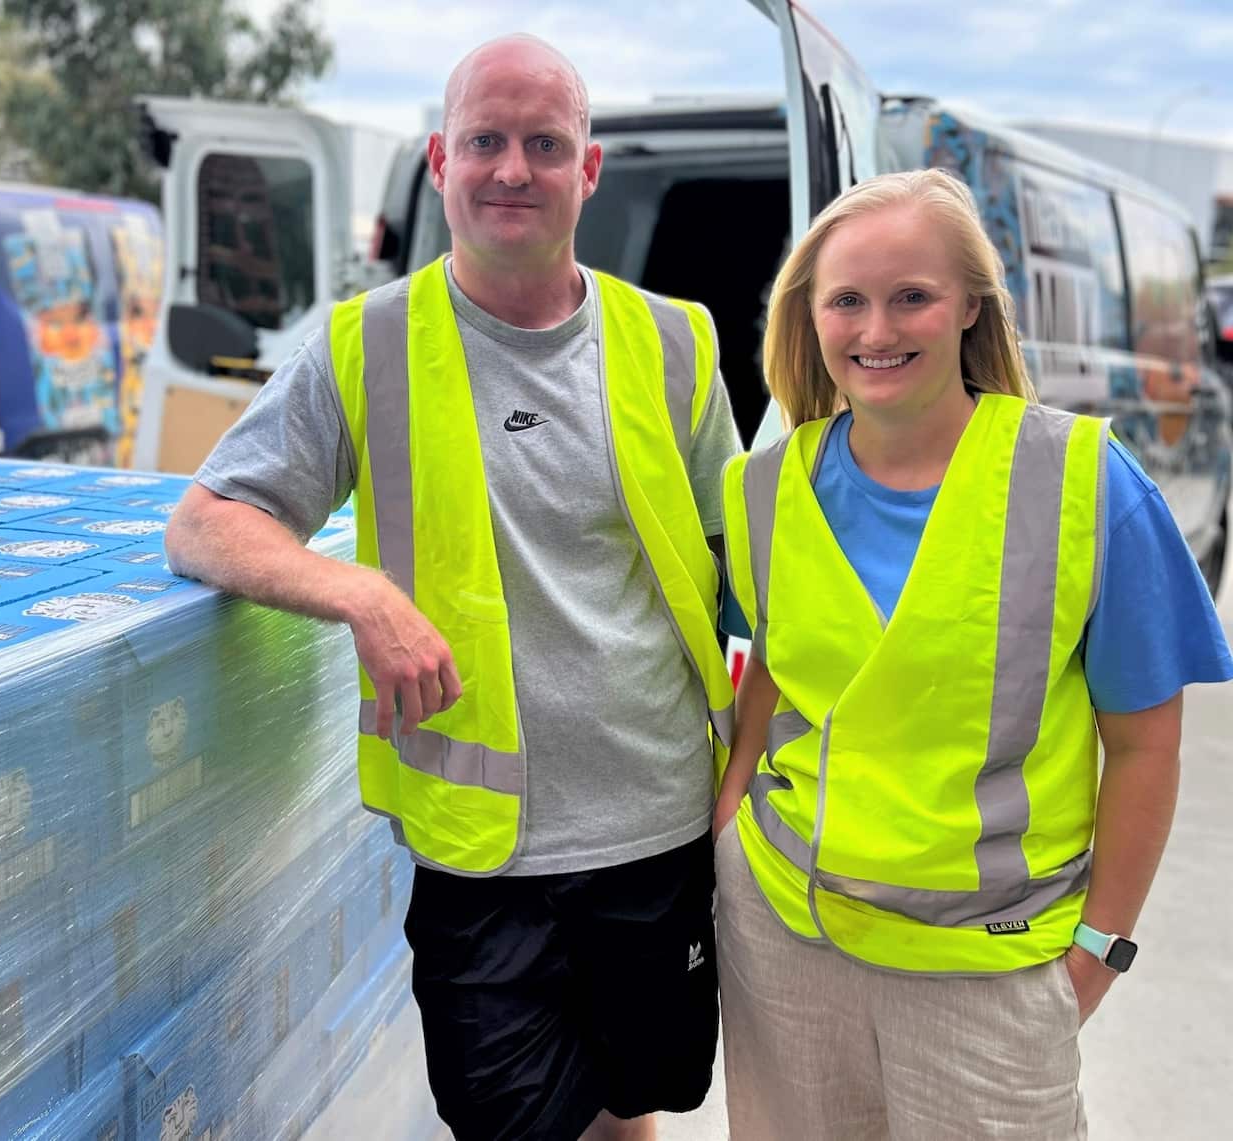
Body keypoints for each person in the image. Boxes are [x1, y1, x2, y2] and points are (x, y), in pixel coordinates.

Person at [165, 34, 741, 1141]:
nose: (512, 168)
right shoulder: (365, 345)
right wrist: (361, 597)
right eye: (485, 140)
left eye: (543, 142)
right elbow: (204, 522)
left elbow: (745, 574)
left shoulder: (676, 344)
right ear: (439, 161)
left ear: (589, 169)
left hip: (656, 821)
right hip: (483, 849)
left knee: (634, 1104)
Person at [714, 168, 1233, 1140]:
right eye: (847, 301)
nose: (876, 329)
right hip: (786, 936)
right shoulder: (762, 485)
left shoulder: (1079, 479)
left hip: (984, 964)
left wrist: (1097, 948)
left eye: (910, 295)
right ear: (810, 316)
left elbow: (1145, 747)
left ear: (968, 308)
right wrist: (726, 820)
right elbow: (774, 669)